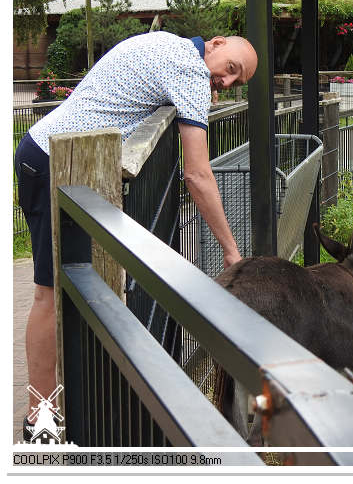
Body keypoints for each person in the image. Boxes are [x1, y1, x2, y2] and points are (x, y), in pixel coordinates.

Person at [14, 31, 258, 441]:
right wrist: (232, 253)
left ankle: (61, 403)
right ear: (215, 45)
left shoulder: (169, 45)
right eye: (230, 69)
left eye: (238, 82)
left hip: (50, 151)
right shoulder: (189, 70)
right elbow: (197, 174)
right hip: (55, 161)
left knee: (73, 285)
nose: (228, 83)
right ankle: (40, 413)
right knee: (50, 292)